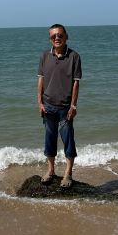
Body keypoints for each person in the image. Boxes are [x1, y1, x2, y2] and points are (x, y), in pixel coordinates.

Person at [36, 23, 82, 188]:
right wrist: (40, 102)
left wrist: (73, 106)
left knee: (68, 140)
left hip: (65, 108)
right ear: (50, 38)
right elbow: (41, 80)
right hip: (48, 106)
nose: (57, 38)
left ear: (66, 37)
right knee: (49, 139)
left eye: (60, 35)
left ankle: (68, 174)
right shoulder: (44, 56)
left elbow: (76, 83)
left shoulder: (74, 57)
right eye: (53, 36)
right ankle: (51, 171)